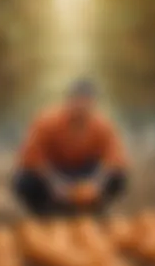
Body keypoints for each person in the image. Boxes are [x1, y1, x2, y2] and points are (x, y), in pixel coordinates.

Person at [12, 79, 128, 216]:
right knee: (24, 179)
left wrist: (97, 183)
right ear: (69, 100)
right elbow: (31, 158)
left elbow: (115, 159)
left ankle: (94, 209)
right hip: (53, 171)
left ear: (94, 103)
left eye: (87, 101)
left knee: (119, 177)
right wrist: (53, 183)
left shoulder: (102, 125)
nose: (81, 106)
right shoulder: (47, 121)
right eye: (77, 100)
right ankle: (45, 211)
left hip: (86, 173)